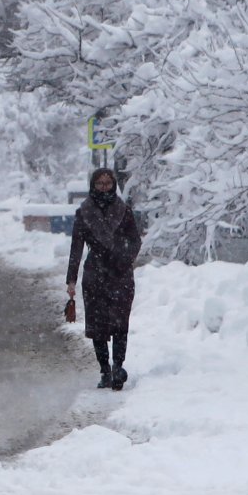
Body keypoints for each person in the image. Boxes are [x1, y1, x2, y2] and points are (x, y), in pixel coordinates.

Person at [65, 164, 143, 390]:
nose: (104, 187)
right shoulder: (84, 212)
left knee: (120, 323)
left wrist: (126, 258)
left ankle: (118, 366)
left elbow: (135, 240)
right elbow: (76, 248)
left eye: (108, 183)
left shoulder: (124, 210)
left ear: (114, 185)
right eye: (99, 183)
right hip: (95, 273)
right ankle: (105, 370)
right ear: (93, 185)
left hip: (120, 273)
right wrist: (71, 280)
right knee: (98, 325)